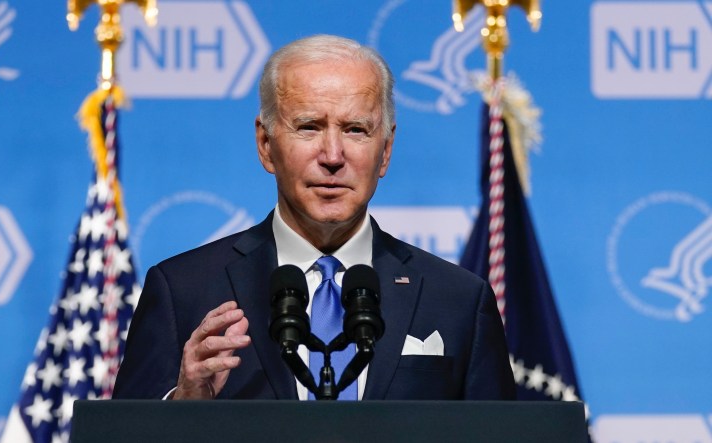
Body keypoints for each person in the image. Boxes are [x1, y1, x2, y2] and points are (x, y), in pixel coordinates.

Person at [112, 34, 515, 401]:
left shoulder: (458, 299)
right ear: (266, 145)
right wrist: (182, 406)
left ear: (386, 151)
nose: (333, 156)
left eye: (356, 130)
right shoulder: (183, 290)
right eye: (309, 127)